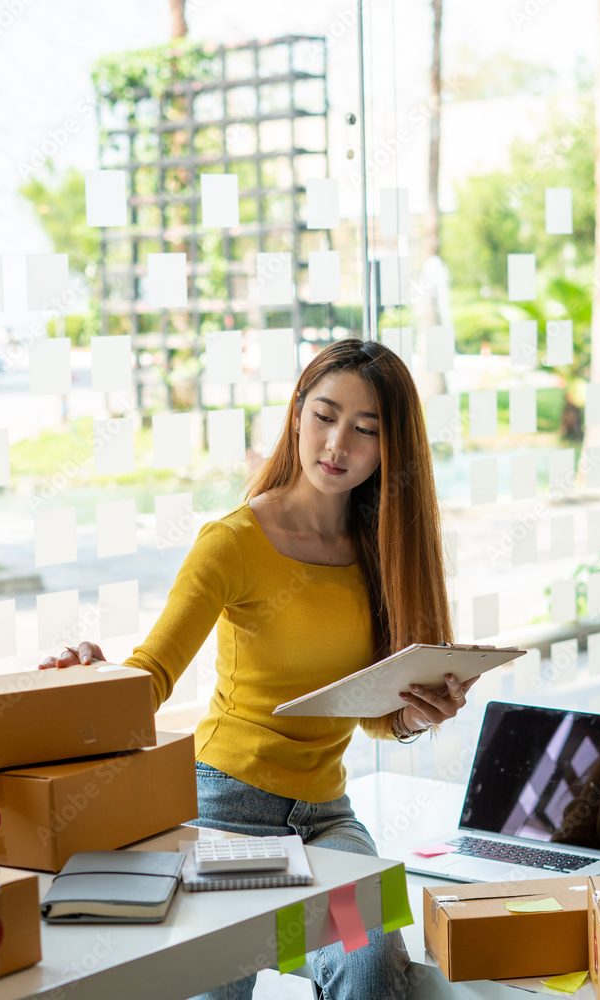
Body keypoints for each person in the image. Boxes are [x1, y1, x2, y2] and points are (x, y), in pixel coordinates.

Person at [40, 338, 477, 999]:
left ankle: (299, 943)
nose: (337, 445)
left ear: (392, 449)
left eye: (365, 430)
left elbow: (370, 715)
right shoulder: (233, 542)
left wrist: (410, 713)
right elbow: (150, 674)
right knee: (221, 976)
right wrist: (95, 678)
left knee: (372, 963)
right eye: (324, 416)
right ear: (296, 413)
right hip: (223, 811)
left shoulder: (381, 551)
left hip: (326, 817)